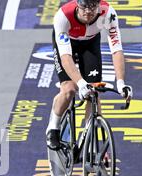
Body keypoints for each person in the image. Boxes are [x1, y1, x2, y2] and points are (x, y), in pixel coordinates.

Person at [46, 0, 133, 150]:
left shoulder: (108, 13)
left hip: (90, 43)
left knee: (94, 92)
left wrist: (121, 83)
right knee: (69, 89)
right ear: (77, 5)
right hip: (68, 44)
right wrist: (80, 83)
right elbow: (66, 58)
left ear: (99, 5)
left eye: (92, 6)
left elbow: (116, 49)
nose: (88, 11)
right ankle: (53, 127)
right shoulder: (63, 16)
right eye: (84, 6)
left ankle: (89, 137)